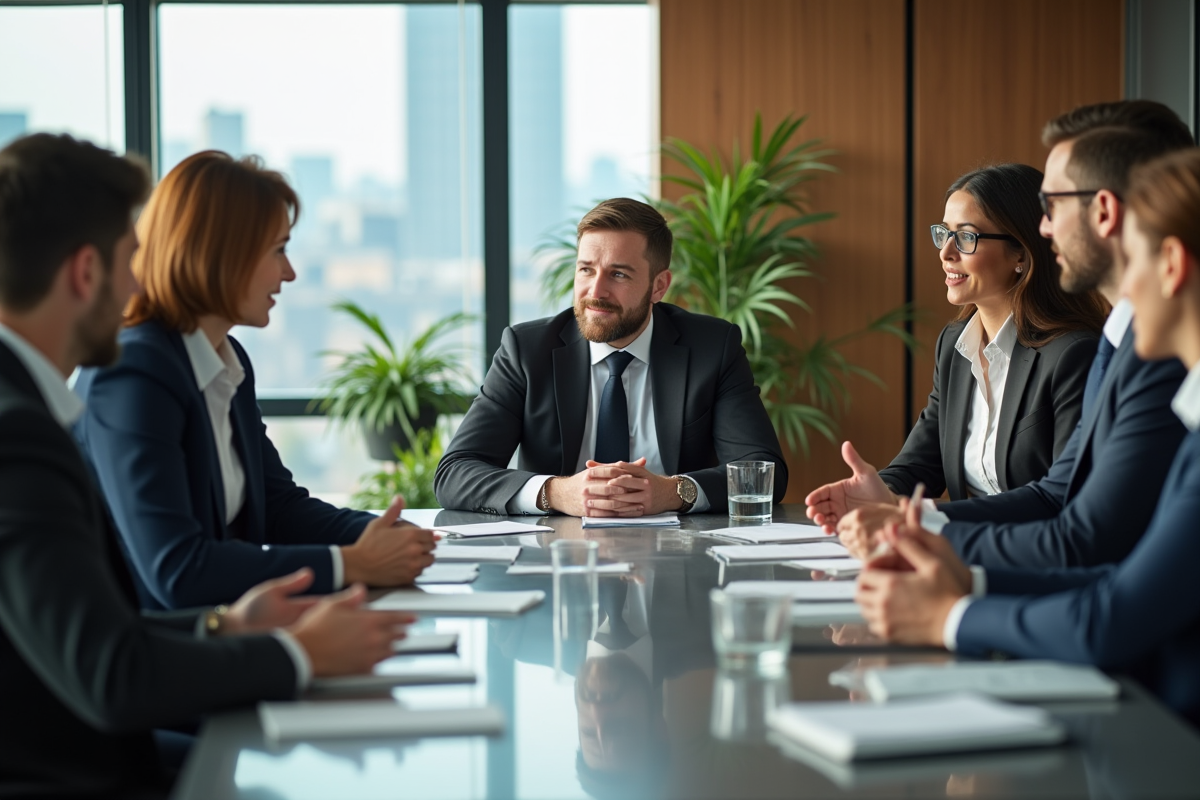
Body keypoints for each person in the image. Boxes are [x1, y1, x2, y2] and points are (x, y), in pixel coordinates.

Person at [0, 133, 414, 797]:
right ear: (85, 273)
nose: (141, 277)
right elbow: (115, 667)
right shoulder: (25, 429)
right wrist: (299, 650)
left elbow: (93, 632)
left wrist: (224, 624)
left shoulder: (32, 407)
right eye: (128, 258)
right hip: (76, 767)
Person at [854, 147, 1200, 727]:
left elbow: (1104, 588)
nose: (1117, 303)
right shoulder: (1179, 405)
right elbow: (1113, 576)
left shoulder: (1092, 357)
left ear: (1168, 264)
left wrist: (951, 614)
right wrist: (961, 576)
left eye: (1127, 261)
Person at [812, 102, 1193, 570]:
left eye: (1053, 206)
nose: (1045, 227)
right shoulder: (965, 347)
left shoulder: (1094, 354)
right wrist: (895, 505)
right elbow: (1053, 495)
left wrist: (921, 543)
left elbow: (1082, 536)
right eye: (943, 235)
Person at [74, 151, 436, 610]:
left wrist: (379, 535)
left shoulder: (224, 361)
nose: (290, 273)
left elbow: (278, 506)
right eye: (278, 250)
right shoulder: (132, 373)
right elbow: (177, 571)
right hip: (154, 660)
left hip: (222, 641)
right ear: (221, 254)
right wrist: (351, 564)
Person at [434, 197, 787, 517]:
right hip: (554, 562)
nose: (595, 291)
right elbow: (456, 472)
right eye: (586, 269)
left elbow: (761, 470)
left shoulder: (712, 346)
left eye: (618, 274)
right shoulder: (526, 350)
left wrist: (673, 491)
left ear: (659, 286)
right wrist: (556, 492)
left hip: (678, 561)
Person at [810, 164, 1104, 507]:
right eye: (944, 233)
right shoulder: (955, 345)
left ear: (1021, 254)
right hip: (960, 549)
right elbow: (921, 463)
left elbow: (1062, 499)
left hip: (1028, 553)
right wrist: (878, 494)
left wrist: (932, 516)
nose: (946, 253)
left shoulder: (1073, 355)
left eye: (966, 237)